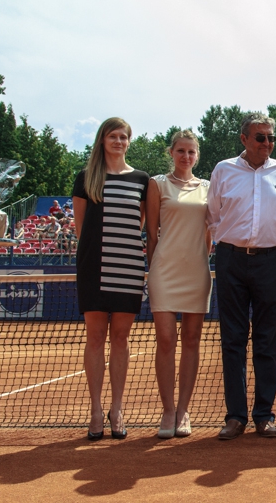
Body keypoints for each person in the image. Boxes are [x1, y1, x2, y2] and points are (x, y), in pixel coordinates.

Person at [206, 112, 276, 440]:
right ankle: (235, 416)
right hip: (231, 260)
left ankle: (264, 415)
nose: (267, 143)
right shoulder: (223, 170)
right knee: (233, 340)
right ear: (244, 139)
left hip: (271, 261)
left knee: (267, 340)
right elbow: (213, 215)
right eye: (260, 138)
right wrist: (233, 242)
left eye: (271, 138)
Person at [72, 117, 149, 441]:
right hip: (94, 268)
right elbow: (80, 230)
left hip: (128, 267)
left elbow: (140, 224)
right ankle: (94, 411)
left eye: (123, 136)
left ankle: (116, 410)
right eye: (113, 136)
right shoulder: (86, 177)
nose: (118, 141)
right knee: (94, 338)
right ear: (102, 140)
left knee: (121, 339)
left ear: (129, 142)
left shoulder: (142, 180)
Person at [146, 130, 212, 439]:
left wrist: (201, 256)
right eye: (181, 150)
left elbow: (209, 232)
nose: (186, 156)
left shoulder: (208, 189)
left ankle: (184, 410)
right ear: (171, 152)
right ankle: (168, 410)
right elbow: (152, 233)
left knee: (191, 340)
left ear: (197, 155)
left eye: (191, 152)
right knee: (165, 340)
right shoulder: (157, 185)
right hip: (164, 270)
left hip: (196, 271)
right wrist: (154, 264)